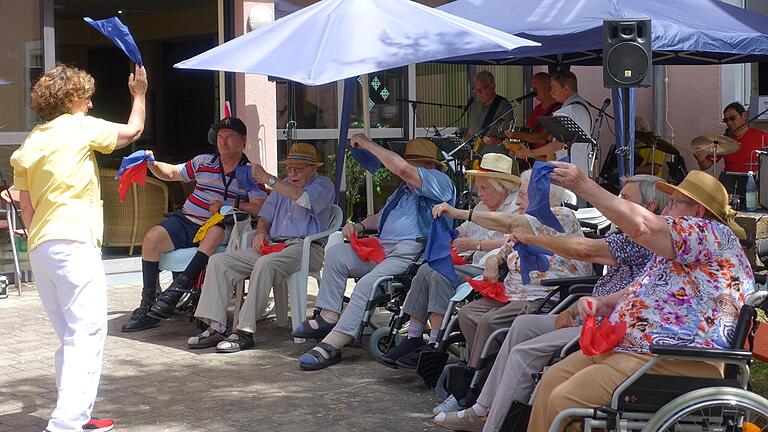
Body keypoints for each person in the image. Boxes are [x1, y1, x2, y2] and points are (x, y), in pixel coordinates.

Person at [434, 175, 669, 432]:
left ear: (650, 207)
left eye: (625, 198)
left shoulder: (641, 238)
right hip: (588, 310)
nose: (618, 203)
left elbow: (584, 251)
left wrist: (528, 239)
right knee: (521, 326)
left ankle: (495, 423)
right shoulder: (627, 234)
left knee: (524, 350)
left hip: (597, 319)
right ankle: (481, 408)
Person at [527, 166, 754, 432]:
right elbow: (644, 288)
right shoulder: (684, 250)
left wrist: (584, 186)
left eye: (673, 204)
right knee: (551, 379)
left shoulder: (712, 234)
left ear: (698, 211)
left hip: (675, 357)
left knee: (564, 400)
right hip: (635, 349)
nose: (665, 211)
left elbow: (643, 227)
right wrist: (604, 303)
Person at [11, 64, 147, 432]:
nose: (90, 105)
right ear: (72, 99)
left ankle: (78, 416)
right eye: (87, 98)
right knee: (86, 334)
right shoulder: (79, 126)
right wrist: (139, 93)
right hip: (74, 242)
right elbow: (133, 131)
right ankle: (65, 424)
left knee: (70, 336)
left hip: (41, 249)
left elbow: (26, 207)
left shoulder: (31, 143)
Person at [294, 135, 456, 370]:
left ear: (430, 166)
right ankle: (328, 316)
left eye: (416, 164)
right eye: (409, 162)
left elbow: (402, 169)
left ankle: (333, 343)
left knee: (367, 284)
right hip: (382, 247)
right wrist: (359, 225)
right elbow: (381, 217)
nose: (408, 170)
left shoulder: (439, 181)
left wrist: (368, 144)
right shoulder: (404, 190)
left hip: (411, 252)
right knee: (338, 254)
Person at [432, 169, 591, 372]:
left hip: (544, 296)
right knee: (467, 313)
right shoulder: (523, 226)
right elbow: (504, 250)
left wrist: (458, 213)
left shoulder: (560, 216)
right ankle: (490, 368)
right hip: (512, 294)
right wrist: (492, 262)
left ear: (541, 195)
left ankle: (475, 377)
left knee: (490, 321)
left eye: (523, 194)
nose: (517, 201)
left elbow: (508, 222)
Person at [121, 117, 267, 332]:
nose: (224, 142)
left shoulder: (249, 172)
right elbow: (172, 173)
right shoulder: (204, 162)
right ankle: (148, 305)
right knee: (152, 238)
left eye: (230, 137)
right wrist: (151, 163)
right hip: (186, 219)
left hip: (221, 225)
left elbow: (260, 207)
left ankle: (176, 292)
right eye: (220, 137)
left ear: (243, 140)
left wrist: (230, 203)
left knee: (216, 231)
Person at [379, 153, 521, 370]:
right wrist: (447, 234)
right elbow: (463, 229)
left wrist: (475, 245)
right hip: (474, 263)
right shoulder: (483, 206)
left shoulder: (514, 209)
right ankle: (414, 336)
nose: (479, 193)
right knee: (426, 269)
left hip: (494, 268)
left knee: (441, 274)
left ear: (502, 188)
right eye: (478, 187)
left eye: (484, 188)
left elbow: (510, 240)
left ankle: (436, 342)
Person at [190, 142, 335, 352]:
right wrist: (260, 232)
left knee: (264, 263)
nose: (292, 173)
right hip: (274, 246)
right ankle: (216, 325)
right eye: (289, 168)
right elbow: (265, 215)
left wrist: (268, 179)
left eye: (299, 169)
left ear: (314, 168)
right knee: (218, 261)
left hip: (305, 248)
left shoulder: (323, 185)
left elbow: (301, 198)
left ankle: (244, 331)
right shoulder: (281, 185)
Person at [531, 71, 592, 174]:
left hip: (567, 169)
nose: (552, 92)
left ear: (566, 89)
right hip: (583, 168)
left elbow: (557, 145)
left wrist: (530, 153)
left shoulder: (564, 112)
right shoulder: (585, 107)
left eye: (554, 88)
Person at [504, 72, 562, 168]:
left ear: (548, 86)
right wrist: (516, 146)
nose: (533, 91)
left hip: (549, 162)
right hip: (533, 160)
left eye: (536, 88)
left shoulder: (558, 109)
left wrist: (515, 134)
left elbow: (544, 137)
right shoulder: (537, 108)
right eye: (532, 88)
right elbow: (528, 132)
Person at [695, 102, 768, 173]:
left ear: (744, 116)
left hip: (754, 182)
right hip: (729, 181)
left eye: (733, 118)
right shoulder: (723, 140)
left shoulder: (763, 136)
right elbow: (705, 166)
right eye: (726, 120)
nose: (729, 123)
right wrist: (701, 160)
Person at [465, 71, 515, 158]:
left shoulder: (503, 106)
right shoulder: (474, 106)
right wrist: (465, 152)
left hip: (496, 159)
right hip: (475, 159)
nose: (478, 94)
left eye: (481, 89)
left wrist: (496, 140)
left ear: (493, 86)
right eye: (476, 90)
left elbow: (508, 136)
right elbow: (470, 132)